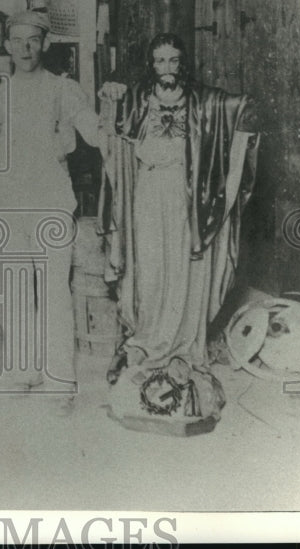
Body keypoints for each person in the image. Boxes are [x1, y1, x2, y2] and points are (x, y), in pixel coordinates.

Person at [97, 32, 258, 428]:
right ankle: (149, 342)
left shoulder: (201, 101)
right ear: (150, 65)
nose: (166, 69)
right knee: (150, 270)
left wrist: (247, 113)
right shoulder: (137, 98)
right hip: (148, 193)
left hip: (186, 195)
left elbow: (231, 107)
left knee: (186, 269)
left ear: (181, 64)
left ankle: (184, 347)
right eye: (159, 61)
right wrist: (109, 95)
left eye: (173, 61)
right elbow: (110, 123)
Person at [0, 10, 106, 412]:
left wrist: (112, 112)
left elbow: (93, 129)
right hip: (9, 206)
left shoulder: (64, 89)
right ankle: (22, 372)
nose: (26, 48)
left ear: (46, 44)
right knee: (13, 291)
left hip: (50, 205)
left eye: (34, 40)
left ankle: (59, 378)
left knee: (53, 295)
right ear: (8, 46)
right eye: (18, 41)